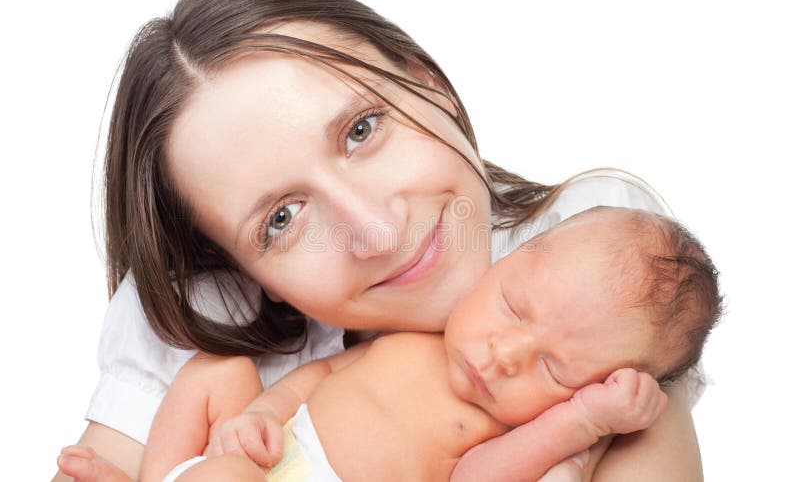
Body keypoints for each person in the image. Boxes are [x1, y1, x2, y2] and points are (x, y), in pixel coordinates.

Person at [53, 0, 705, 481]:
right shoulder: (211, 321)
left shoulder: (594, 260)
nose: (378, 231)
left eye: (362, 130)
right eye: (281, 219)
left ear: (429, 85)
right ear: (241, 271)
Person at [58, 206, 721, 482]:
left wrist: (581, 422)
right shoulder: (416, 331)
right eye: (513, 305)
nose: (503, 353)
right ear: (502, 262)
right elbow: (325, 375)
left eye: (553, 367)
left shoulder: (501, 426)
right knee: (219, 369)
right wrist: (261, 412)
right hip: (262, 454)